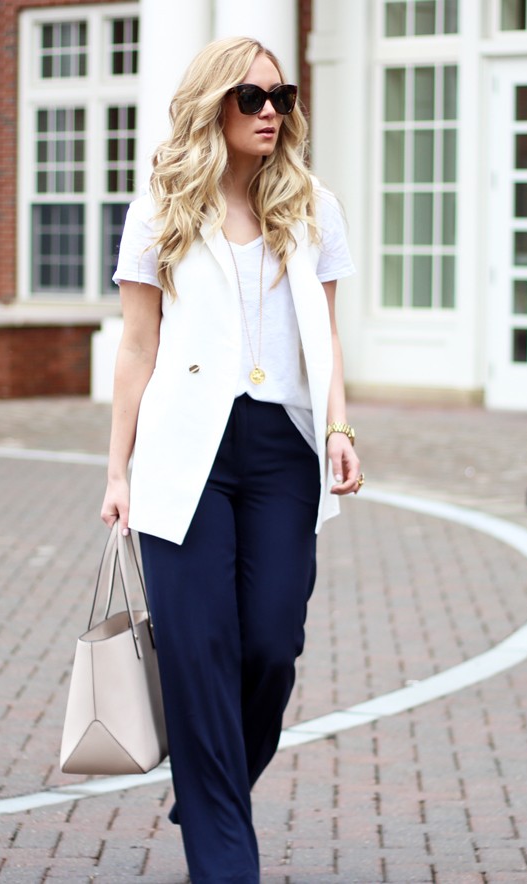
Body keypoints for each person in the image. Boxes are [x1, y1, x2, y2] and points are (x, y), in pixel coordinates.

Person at [101, 35, 362, 884]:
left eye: (280, 97)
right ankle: (223, 853)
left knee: (271, 645)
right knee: (198, 650)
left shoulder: (313, 206)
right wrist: (117, 472)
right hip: (183, 454)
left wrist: (341, 429)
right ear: (212, 106)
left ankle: (209, 784)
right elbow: (136, 347)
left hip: (282, 450)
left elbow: (325, 335)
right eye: (251, 99)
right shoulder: (162, 206)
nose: (269, 114)